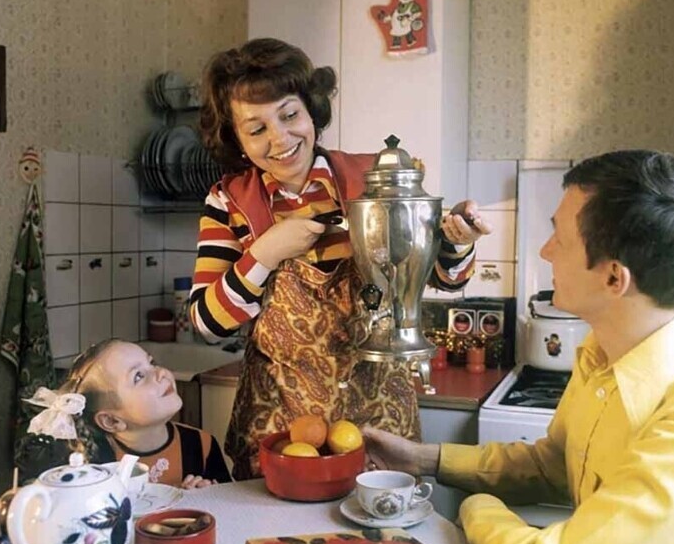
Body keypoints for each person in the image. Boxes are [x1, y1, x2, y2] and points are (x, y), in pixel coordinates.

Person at [362, 150, 674, 544]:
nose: (545, 251)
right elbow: (555, 464)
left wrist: (472, 509)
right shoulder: (603, 356)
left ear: (614, 277)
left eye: (560, 239)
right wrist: (426, 460)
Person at [190, 37, 489, 479]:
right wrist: (267, 250)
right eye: (256, 129)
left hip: (380, 425)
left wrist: (458, 241)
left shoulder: (374, 179)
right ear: (236, 138)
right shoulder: (229, 202)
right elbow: (207, 322)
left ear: (311, 110)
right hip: (279, 429)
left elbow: (443, 280)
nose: (280, 138)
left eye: (290, 115)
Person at [20, 339, 231, 489]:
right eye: (139, 376)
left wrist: (205, 494)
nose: (160, 373)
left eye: (152, 362)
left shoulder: (201, 445)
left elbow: (228, 511)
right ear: (111, 420)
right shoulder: (93, 464)